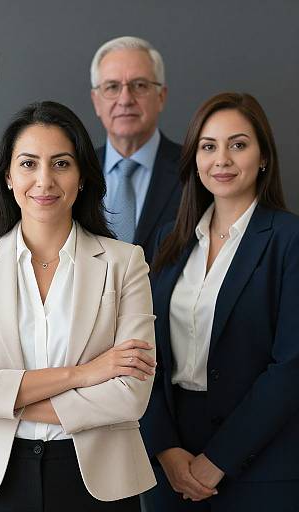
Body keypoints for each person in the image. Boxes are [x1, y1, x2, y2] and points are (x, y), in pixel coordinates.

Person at [0, 101, 157, 511]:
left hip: (96, 480)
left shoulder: (125, 263)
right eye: (29, 163)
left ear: (83, 176)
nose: (45, 180)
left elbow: (129, 395)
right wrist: (85, 374)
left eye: (61, 164)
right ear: (8, 176)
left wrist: (1, 394)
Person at [140, 92, 299, 510]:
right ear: (195, 157)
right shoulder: (169, 240)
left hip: (258, 458)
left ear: (263, 156)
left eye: (239, 144)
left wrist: (219, 460)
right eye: (209, 146)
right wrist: (165, 450)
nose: (222, 159)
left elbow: (291, 367)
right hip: (170, 459)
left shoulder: (289, 240)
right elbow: (144, 353)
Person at [91, 36, 181, 264]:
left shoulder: (194, 170)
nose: (125, 99)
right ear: (96, 101)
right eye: (112, 87)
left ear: (161, 97)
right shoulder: (76, 171)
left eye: (139, 85)